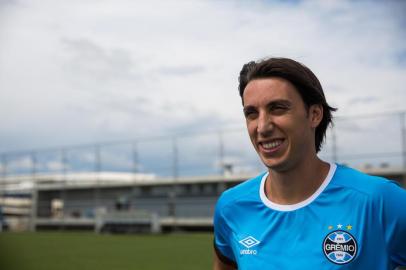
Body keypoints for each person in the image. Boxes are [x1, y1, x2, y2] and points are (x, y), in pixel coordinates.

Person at [213, 57, 406, 269]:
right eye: (251, 113)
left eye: (277, 108)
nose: (262, 127)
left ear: (314, 114)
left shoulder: (380, 201)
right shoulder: (231, 207)